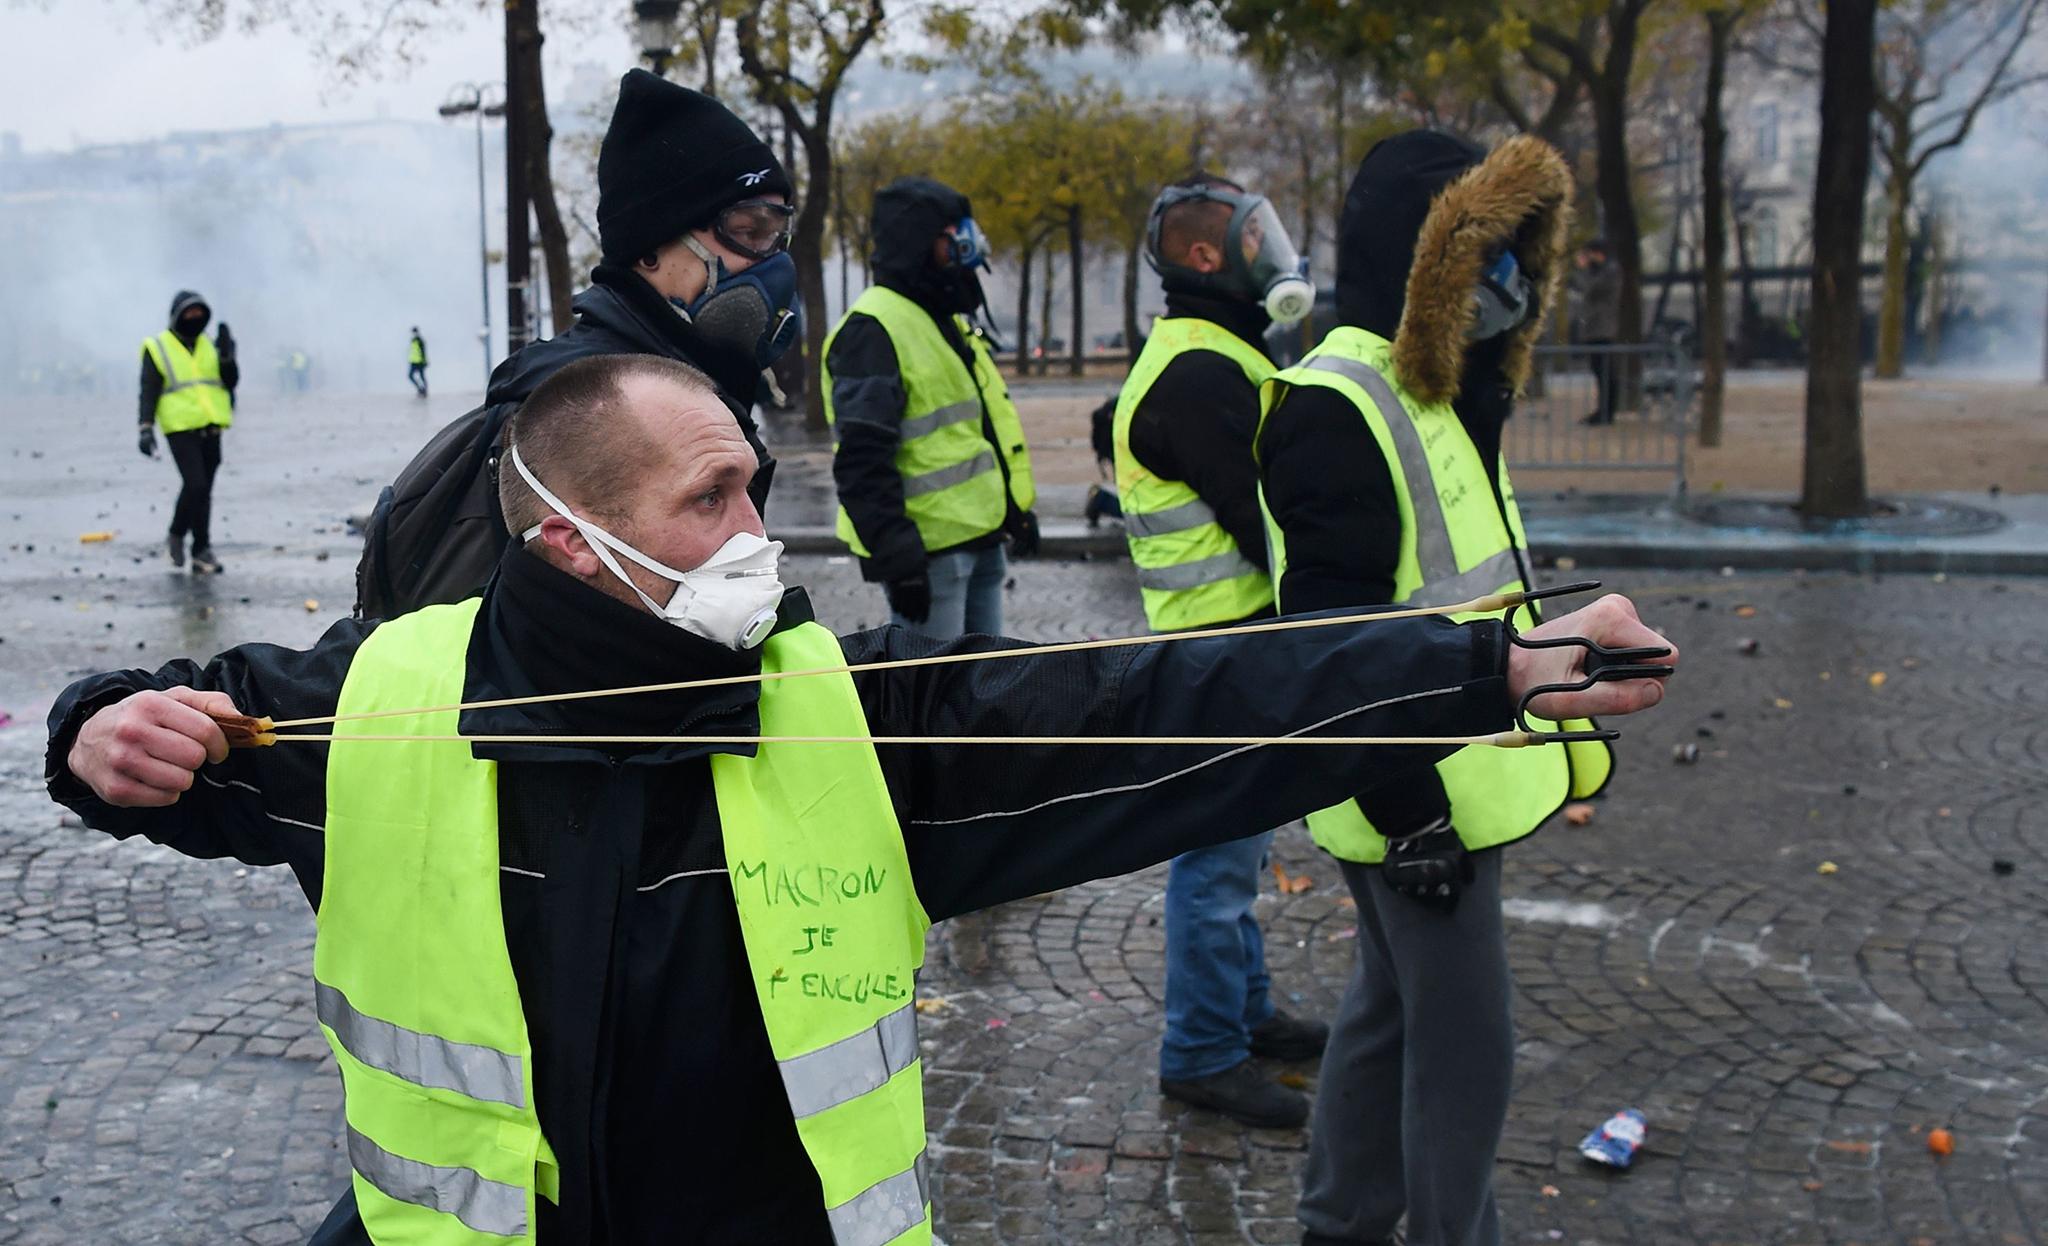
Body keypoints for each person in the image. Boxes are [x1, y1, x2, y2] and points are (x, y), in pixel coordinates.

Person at [48, 351, 1675, 1246]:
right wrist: (98, 735)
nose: (765, 529)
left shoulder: (847, 725)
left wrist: (1487, 670)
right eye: (714, 497)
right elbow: (172, 740)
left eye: (756, 481)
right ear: (573, 544)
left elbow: (1155, 710)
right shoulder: (377, 707)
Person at [1258, 130, 1617, 1246]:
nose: (1510, 278)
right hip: (1419, 796)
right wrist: (1405, 808)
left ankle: (1341, 1220)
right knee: (1465, 1044)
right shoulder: (1339, 400)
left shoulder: (1438, 390)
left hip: (1455, 776)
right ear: (1431, 259)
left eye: (1522, 253)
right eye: (1490, 251)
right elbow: (1333, 635)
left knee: (1384, 1014)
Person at [353, 68, 801, 621]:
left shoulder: (696, 384)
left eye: (778, 234)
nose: (773, 261)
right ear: (651, 250)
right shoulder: (574, 406)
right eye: (748, 231)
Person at [1112, 173, 1326, 1128]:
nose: (1268, 250)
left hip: (1224, 646)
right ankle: (1202, 1051)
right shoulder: (1202, 372)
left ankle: (1243, 1012)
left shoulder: (1206, 355)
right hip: (1220, 652)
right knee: (1216, 859)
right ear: (1206, 258)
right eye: (1252, 235)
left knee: (1237, 846)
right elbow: (1266, 521)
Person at [823, 176, 1038, 638]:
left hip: (979, 541)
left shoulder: (939, 317)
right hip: (930, 556)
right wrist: (898, 559)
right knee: (932, 699)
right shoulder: (874, 329)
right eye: (952, 234)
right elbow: (862, 459)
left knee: (987, 691)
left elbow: (980, 426)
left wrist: (1014, 511)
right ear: (920, 241)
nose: (967, 245)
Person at [139, 290, 237, 575]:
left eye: (199, 313)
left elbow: (230, 382)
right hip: (179, 427)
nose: (195, 318)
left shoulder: (210, 345)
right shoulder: (157, 347)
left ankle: (187, 542)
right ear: (177, 315)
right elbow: (148, 389)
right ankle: (195, 544)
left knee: (202, 488)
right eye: (189, 313)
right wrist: (145, 428)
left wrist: (228, 357)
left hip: (212, 423)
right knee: (196, 485)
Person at [1574, 238, 1620, 425]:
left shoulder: (1610, 271)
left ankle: (1607, 413)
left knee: (1605, 372)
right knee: (1599, 372)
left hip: (1602, 330)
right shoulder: (1602, 271)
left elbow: (1588, 288)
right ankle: (1603, 410)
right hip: (1595, 329)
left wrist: (1582, 269)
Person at [407, 327, 429, 396]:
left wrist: (425, 361)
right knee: (410, 376)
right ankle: (420, 389)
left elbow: (423, 352)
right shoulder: (413, 341)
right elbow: (412, 352)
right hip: (413, 362)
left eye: (415, 332)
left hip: (420, 362)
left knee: (422, 376)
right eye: (413, 332)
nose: (414, 334)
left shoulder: (420, 341)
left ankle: (424, 390)